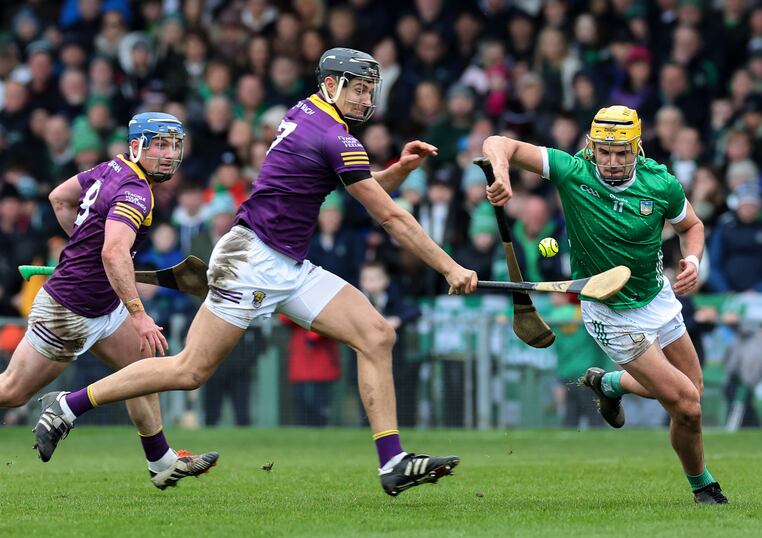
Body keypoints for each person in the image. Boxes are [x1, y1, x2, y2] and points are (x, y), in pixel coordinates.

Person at [35, 48, 477, 497]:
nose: (366, 100)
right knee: (189, 371)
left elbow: (363, 186)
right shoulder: (332, 136)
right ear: (330, 85)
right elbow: (390, 217)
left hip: (289, 264)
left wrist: (398, 170)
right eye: (358, 89)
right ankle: (68, 406)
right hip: (251, 261)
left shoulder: (311, 118)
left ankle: (393, 462)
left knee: (377, 334)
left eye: (369, 90)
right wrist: (450, 267)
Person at [481, 105, 727, 504]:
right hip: (607, 309)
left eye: (622, 153)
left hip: (656, 297)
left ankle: (608, 383)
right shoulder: (571, 171)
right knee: (686, 405)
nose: (612, 162)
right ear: (590, 147)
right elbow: (498, 143)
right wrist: (503, 173)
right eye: (604, 152)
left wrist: (693, 260)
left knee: (693, 391)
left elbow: (692, 226)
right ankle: (703, 486)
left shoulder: (660, 183)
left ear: (637, 148)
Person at [0, 112, 218, 489]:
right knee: (12, 391)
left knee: (143, 368)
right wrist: (139, 315)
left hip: (103, 304)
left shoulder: (108, 168)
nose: (169, 155)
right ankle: (63, 409)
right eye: (159, 145)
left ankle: (162, 463)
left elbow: (60, 198)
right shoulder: (137, 191)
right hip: (69, 310)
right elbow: (114, 252)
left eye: (174, 146)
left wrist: (81, 242)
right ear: (136, 146)